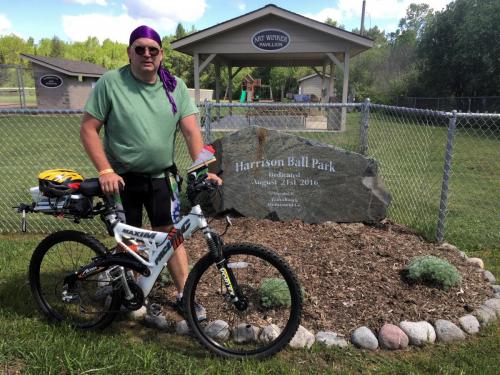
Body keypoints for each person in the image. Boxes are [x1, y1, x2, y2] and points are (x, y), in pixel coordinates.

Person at [80, 25, 221, 320]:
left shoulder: (175, 86)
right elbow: (89, 129)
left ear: (161, 55)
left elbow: (191, 131)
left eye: (152, 49)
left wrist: (201, 170)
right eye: (140, 48)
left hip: (162, 177)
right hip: (120, 178)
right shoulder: (111, 83)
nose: (146, 54)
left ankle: (184, 295)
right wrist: (104, 169)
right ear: (129, 52)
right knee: (128, 238)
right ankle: (130, 294)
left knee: (171, 236)